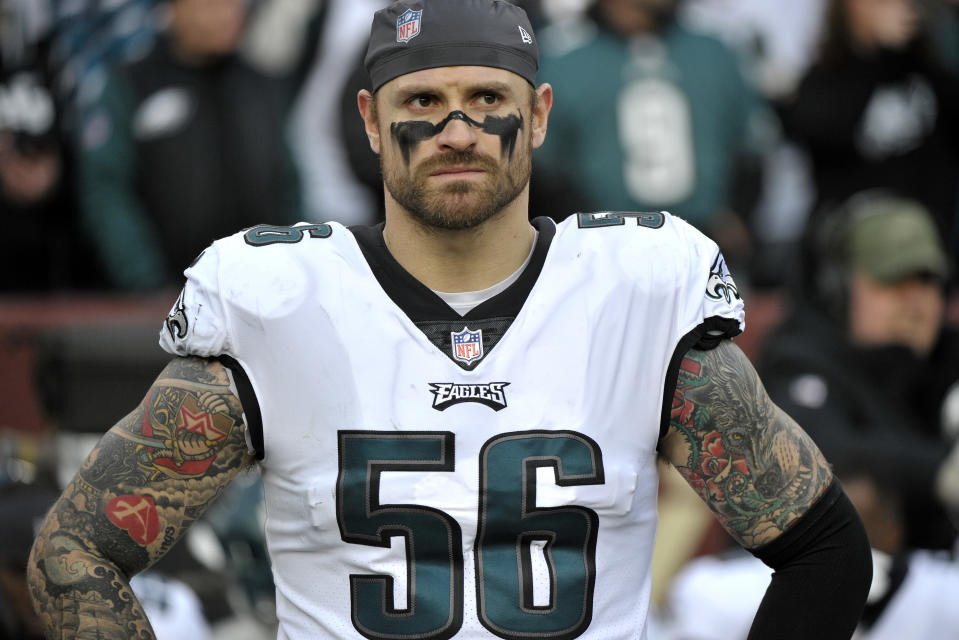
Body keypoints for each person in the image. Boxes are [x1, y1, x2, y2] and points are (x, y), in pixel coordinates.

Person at [27, 1, 871, 638]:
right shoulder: (280, 300)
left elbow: (826, 549)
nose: (456, 129)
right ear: (369, 119)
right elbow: (73, 553)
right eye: (423, 100)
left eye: (484, 97)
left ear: (538, 115)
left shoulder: (633, 294)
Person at [760, 190, 959, 551]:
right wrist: (942, 472)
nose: (916, 304)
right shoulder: (799, 354)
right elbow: (817, 453)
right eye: (894, 282)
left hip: (940, 574)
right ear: (838, 289)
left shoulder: (948, 353)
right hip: (830, 579)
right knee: (858, 494)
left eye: (927, 282)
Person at [77, 0, 303, 291]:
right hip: (162, 305)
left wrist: (292, 272)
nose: (229, 13)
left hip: (260, 300)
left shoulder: (262, 86)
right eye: (213, 5)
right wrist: (147, 282)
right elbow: (106, 191)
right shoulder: (132, 84)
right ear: (174, 8)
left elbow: (289, 186)